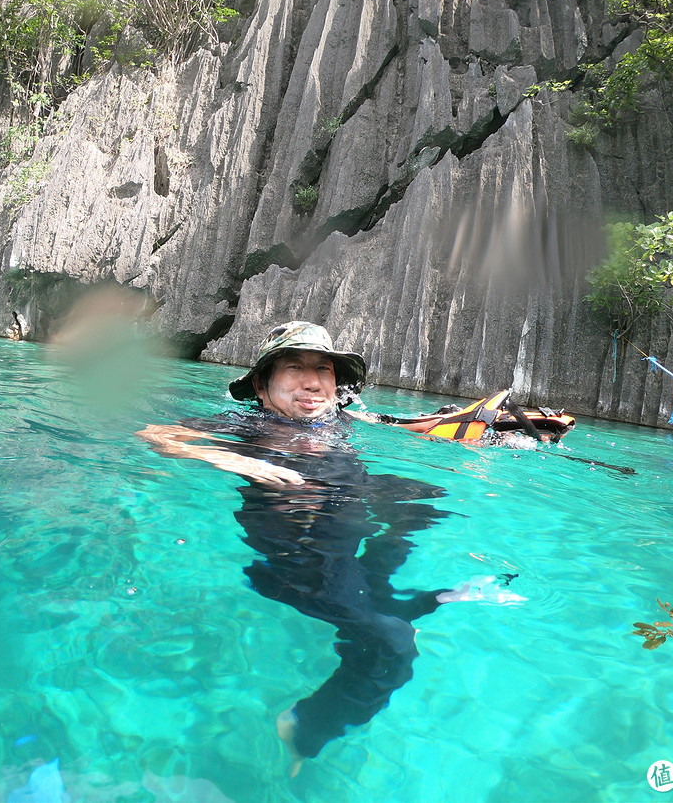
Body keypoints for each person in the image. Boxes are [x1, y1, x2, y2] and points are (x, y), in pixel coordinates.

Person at [136, 321, 524, 776]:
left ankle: (393, 600)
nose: (311, 379)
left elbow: (393, 426)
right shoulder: (250, 425)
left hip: (343, 523)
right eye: (294, 367)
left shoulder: (341, 420)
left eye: (323, 368)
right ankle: (304, 728)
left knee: (422, 496)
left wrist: (471, 429)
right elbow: (157, 434)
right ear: (262, 385)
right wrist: (238, 460)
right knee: (393, 644)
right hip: (302, 555)